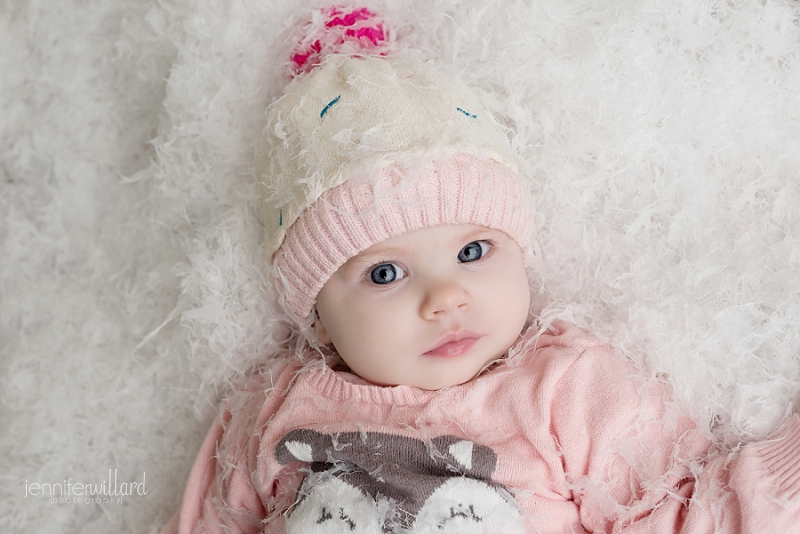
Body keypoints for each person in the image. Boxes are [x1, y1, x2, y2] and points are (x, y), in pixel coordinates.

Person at [160, 7, 800, 534]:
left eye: (472, 252)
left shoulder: (565, 390)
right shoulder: (272, 409)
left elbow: (684, 519)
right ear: (320, 320)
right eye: (385, 274)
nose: (445, 298)